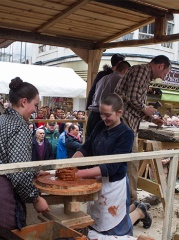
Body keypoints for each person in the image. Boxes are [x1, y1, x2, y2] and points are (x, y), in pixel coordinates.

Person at [67, 94, 151, 238]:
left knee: (114, 228)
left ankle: (139, 212)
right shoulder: (101, 125)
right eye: (101, 114)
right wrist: (71, 164)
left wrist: (78, 174)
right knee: (98, 222)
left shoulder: (126, 134)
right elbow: (86, 147)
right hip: (97, 178)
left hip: (114, 184)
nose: (104, 118)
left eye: (108, 115)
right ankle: (138, 210)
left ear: (119, 112)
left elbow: (110, 168)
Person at [0, 77, 50, 233]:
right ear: (24, 102)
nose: (35, 110)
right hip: (1, 195)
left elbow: (5, 157)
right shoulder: (19, 127)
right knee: (2, 235)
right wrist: (36, 199)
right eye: (35, 105)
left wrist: (35, 171)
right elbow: (19, 173)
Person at [114, 55, 170, 203]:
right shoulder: (142, 71)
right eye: (164, 74)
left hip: (127, 119)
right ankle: (131, 201)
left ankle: (124, 197)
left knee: (127, 161)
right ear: (160, 66)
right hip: (124, 119)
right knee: (132, 161)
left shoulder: (143, 73)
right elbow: (133, 98)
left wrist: (152, 118)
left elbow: (134, 104)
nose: (162, 78)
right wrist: (146, 108)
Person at [86, 61, 131, 139]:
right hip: (104, 115)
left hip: (93, 114)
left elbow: (92, 93)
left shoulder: (103, 78)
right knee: (102, 145)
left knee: (89, 143)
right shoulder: (120, 80)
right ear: (126, 71)